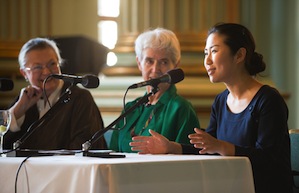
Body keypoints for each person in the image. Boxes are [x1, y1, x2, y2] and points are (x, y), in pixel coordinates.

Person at [130, 23, 293, 193]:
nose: (207, 61)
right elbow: (206, 149)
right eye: (205, 53)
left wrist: (221, 147)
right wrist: (171, 147)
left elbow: (268, 160)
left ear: (239, 55)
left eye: (214, 51)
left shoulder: (268, 100)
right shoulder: (221, 101)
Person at [3, 37, 107, 150]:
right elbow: (5, 148)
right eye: (38, 67)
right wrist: (18, 111)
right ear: (24, 73)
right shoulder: (23, 100)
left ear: (59, 64)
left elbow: (85, 147)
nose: (47, 72)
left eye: (52, 64)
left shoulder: (80, 98)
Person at [109, 28, 200, 153]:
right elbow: (112, 152)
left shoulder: (181, 109)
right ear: (139, 63)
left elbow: (190, 158)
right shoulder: (130, 108)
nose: (155, 69)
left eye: (164, 62)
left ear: (175, 66)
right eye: (149, 61)